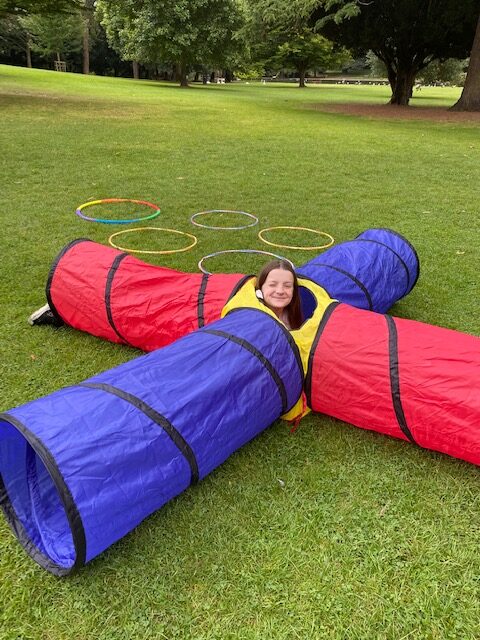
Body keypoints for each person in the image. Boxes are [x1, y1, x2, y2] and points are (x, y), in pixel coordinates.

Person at [255, 259, 303, 330]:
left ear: (293, 290)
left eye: (287, 286)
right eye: (272, 285)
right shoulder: (252, 319)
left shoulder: (293, 316)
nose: (280, 291)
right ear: (260, 288)